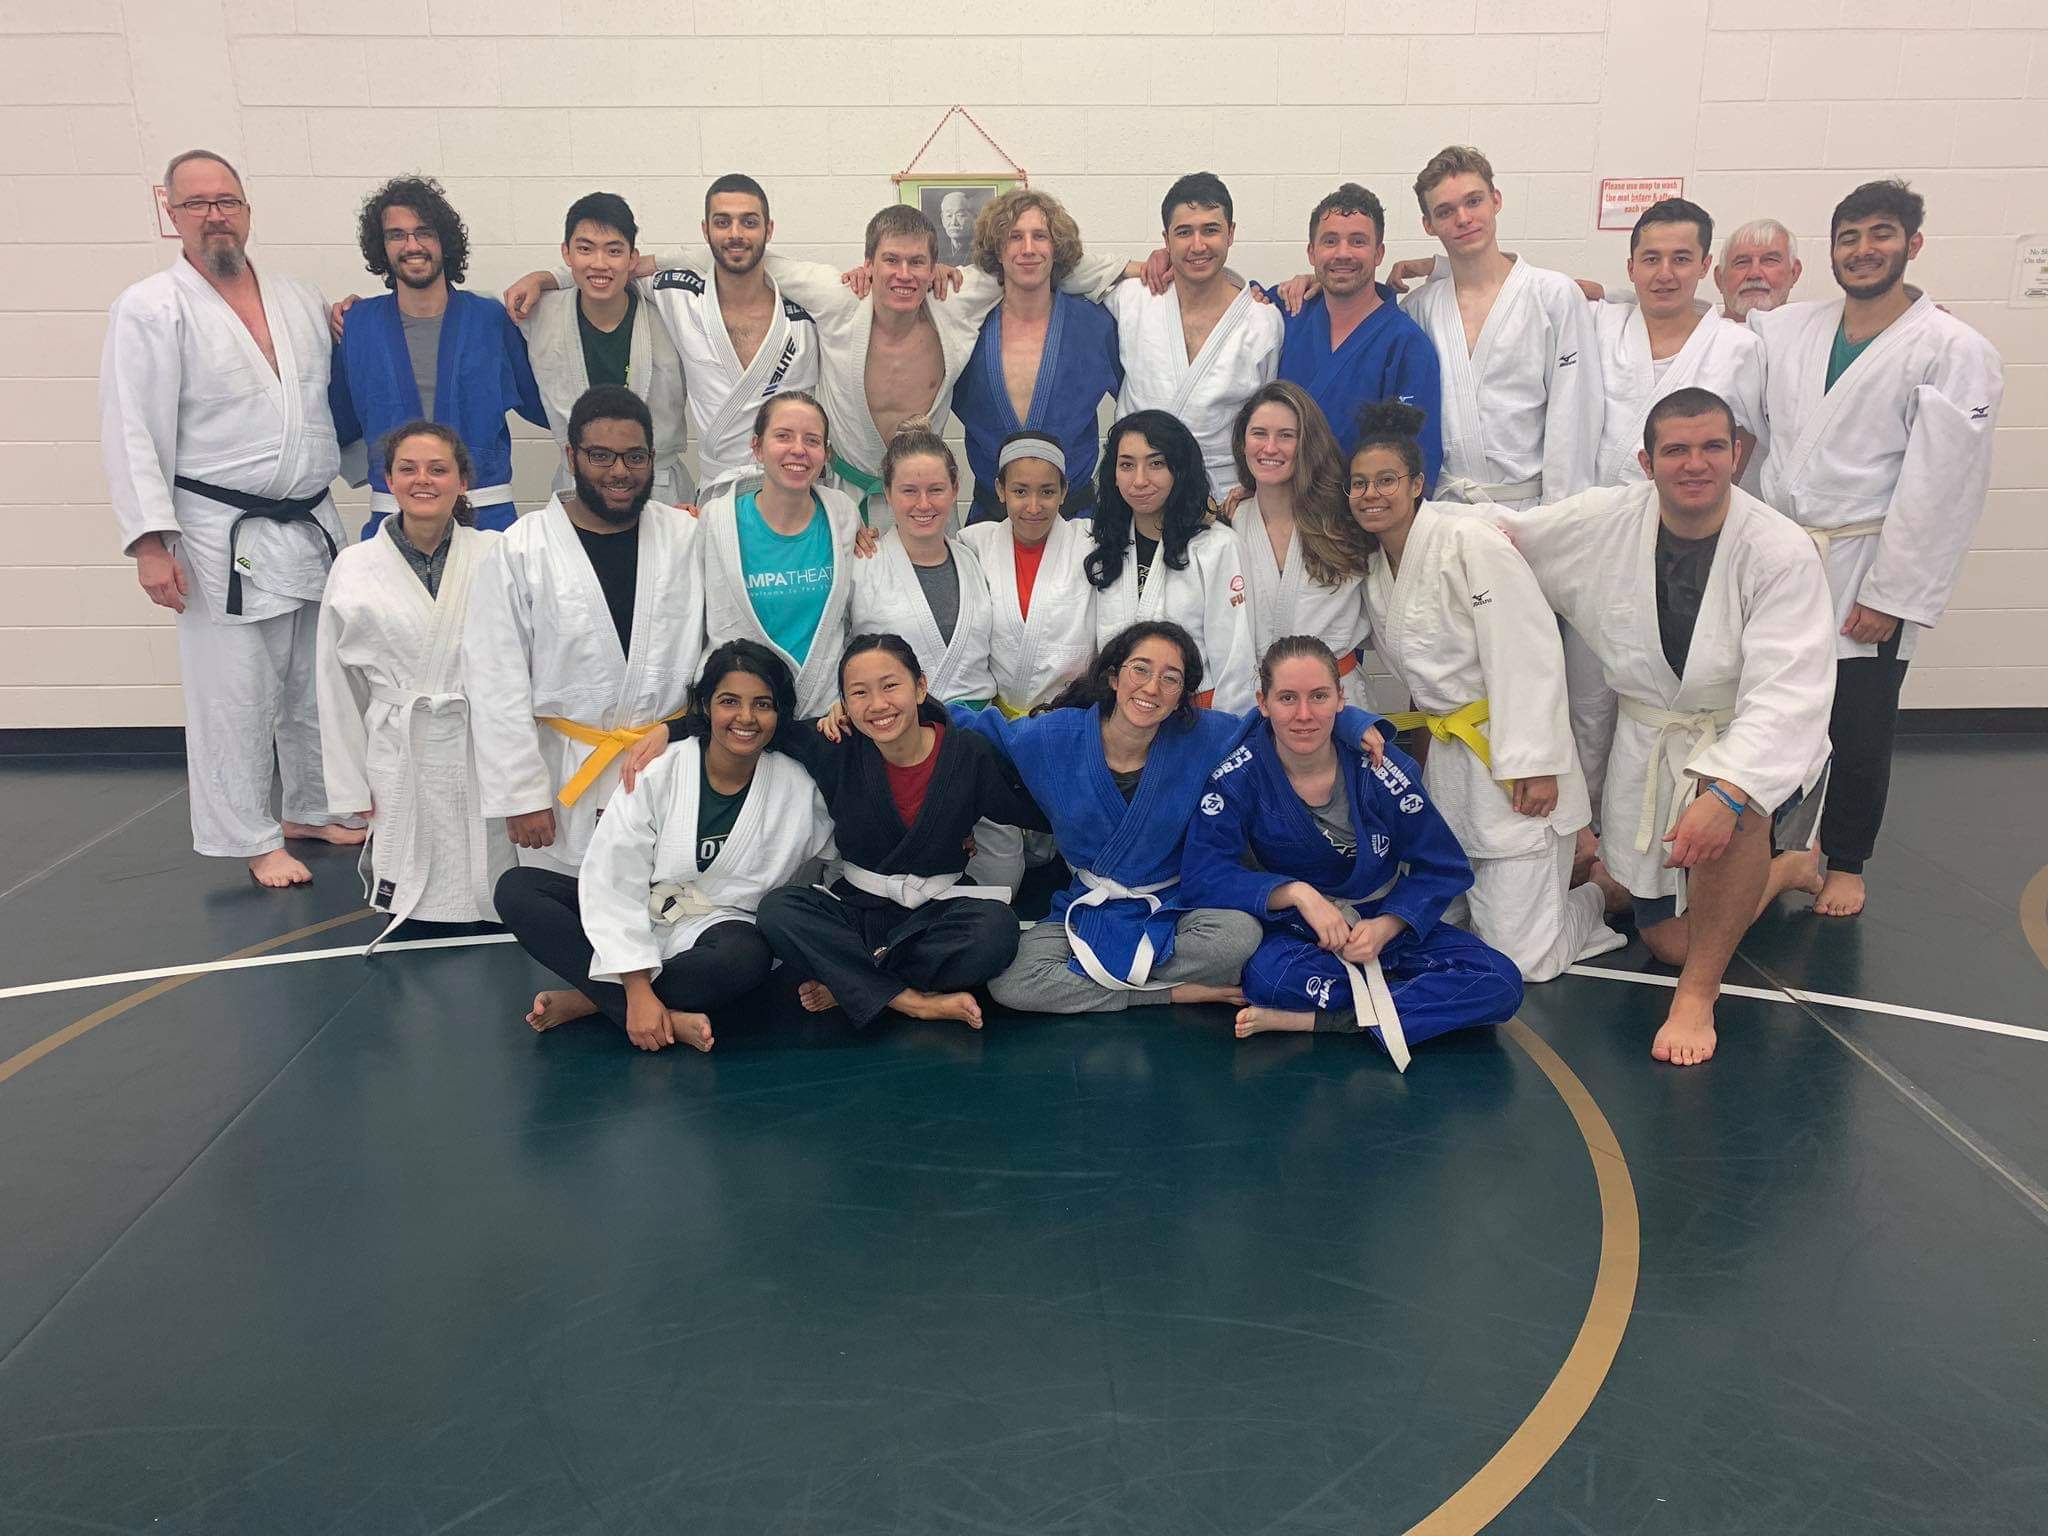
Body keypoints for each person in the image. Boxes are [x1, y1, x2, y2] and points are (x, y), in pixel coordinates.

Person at [1496, 388, 1837, 1066]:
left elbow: (1788, 697)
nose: (1695, 463)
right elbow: (1505, 531)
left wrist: (1731, 792)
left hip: (1750, 742)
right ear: (1646, 462)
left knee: (1730, 818)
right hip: (1653, 740)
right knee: (1665, 941)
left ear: (1736, 454)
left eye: (1712, 446)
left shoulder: (1779, 550)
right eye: (1676, 450)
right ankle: (1786, 869)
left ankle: (1697, 993)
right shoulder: (1607, 519)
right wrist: (1402, 522)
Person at [100, 148, 360, 889]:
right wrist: (152, 542)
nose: (215, 215)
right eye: (197, 204)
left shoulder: (298, 298)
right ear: (170, 215)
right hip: (218, 531)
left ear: (247, 210)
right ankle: (248, 834)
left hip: (308, 521)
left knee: (317, 681)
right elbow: (131, 429)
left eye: (227, 201)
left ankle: (313, 805)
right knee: (236, 692)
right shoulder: (152, 307)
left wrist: (349, 320)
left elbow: (324, 404)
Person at [1748, 180, 2004, 919]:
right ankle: (1776, 847)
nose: (1864, 250)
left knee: (1859, 720)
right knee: (1773, 708)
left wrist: (1894, 594)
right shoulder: (1790, 328)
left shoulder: (1954, 349)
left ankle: (1848, 857)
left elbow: (1942, 483)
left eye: (1881, 234)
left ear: (1913, 244)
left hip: (1867, 559)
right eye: (1850, 237)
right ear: (1829, 251)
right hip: (1786, 552)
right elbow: (1713, 332)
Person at [1344, 400, 1623, 982]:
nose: (1372, 494)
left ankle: (1596, 896)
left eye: (1387, 480)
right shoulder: (1375, 568)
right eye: (1360, 484)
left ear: (1418, 484)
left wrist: (1537, 763)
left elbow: (1528, 651)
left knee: (1519, 961)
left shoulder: (1469, 539)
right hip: (1452, 759)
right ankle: (1552, 888)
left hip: (1511, 756)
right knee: (1451, 926)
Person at [1179, 637, 1523, 1056]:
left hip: (1384, 922)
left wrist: (1389, 925)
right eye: (1287, 698)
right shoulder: (1239, 774)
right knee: (1270, 979)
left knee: (1501, 981)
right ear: (1263, 703)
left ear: (1341, 699)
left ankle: (1327, 1021)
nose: (1304, 715)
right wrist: (1296, 893)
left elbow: (1443, 866)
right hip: (1305, 933)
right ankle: (1403, 1004)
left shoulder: (1380, 768)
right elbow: (1203, 874)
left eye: (1319, 696)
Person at [500, 641, 834, 1053]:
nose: (746, 718)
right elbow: (614, 876)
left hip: (719, 930)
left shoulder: (799, 788)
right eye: (730, 701)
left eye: (762, 704)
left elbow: (848, 851)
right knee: (517, 889)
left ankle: (593, 999)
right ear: (706, 706)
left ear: (779, 713)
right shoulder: (660, 769)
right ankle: (641, 1008)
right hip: (642, 906)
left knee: (744, 960)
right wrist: (637, 990)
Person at [464, 386, 706, 904]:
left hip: (665, 760)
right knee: (570, 914)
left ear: (652, 459)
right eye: (600, 455)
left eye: (634, 456)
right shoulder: (521, 549)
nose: (619, 471)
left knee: (669, 907)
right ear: (570, 457)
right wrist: (520, 795)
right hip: (564, 774)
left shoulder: (687, 538)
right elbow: (496, 682)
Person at [953, 622, 1268, 1015]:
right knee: (1012, 980)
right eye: (1140, 669)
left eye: (1170, 679)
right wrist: (891, 711)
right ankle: (1171, 990)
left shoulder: (1204, 736)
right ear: (1115, 677)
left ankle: (1109, 979)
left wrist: (1350, 724)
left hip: (1174, 906)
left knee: (1237, 938)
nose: (1152, 688)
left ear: (1181, 697)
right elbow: (968, 729)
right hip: (1089, 905)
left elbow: (1281, 726)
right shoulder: (1056, 736)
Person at [751, 634, 1050, 1032]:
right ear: (842, 701)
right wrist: (674, 730)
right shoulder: (835, 745)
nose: (877, 705)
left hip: (937, 912)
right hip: (858, 907)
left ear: (920, 687)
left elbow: (1038, 806)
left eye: (890, 686)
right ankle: (912, 1001)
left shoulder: (968, 753)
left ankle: (852, 982)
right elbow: (757, 728)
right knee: (779, 909)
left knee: (996, 929)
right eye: (859, 693)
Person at [762, 203, 1128, 523]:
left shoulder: (952, 298)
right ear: (868, 264)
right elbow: (754, 259)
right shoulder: (839, 297)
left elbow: (1041, 266)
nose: (904, 274)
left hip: (927, 493)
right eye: (891, 260)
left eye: (917, 262)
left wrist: (1140, 266)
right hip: (845, 492)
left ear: (934, 266)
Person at [503, 173, 821, 495]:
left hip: (688, 487)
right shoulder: (539, 311)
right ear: (705, 230)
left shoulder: (803, 314)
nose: (735, 234)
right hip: (589, 488)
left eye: (749, 222)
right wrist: (545, 278)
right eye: (722, 222)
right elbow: (602, 273)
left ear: (769, 229)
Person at [316, 422, 511, 945]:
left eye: (438, 469)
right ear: (388, 480)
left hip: (476, 736)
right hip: (400, 736)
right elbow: (336, 687)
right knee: (412, 883)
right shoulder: (355, 566)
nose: (423, 480)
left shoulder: (497, 553)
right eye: (408, 468)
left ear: (463, 482)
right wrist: (347, 785)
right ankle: (411, 906)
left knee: (487, 882)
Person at [847, 419, 1019, 889]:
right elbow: (839, 652)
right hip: (894, 738)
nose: (923, 505)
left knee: (1003, 866)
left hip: (973, 737)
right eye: (908, 491)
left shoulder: (973, 555)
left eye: (936, 490)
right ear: (887, 493)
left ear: (955, 489)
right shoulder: (861, 563)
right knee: (900, 867)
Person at [329, 175, 545, 534]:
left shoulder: (490, 321)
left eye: (424, 232)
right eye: (397, 235)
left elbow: (551, 405)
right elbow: (336, 425)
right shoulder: (357, 327)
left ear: (445, 241)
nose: (412, 244)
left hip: (484, 520)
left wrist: (551, 280)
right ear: (381, 247)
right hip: (391, 524)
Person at [1398, 146, 1601, 510]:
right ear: (1429, 224)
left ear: (1496, 200)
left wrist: (1559, 519)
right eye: (1445, 211)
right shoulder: (1418, 309)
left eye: (1473, 201)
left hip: (1529, 509)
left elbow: (1573, 420)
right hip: (1443, 509)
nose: (1463, 218)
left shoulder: (1554, 296)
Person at [950, 188, 1123, 523]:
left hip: (1075, 521)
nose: (1028, 249)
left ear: (1056, 248)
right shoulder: (966, 327)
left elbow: (1140, 408)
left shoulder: (1093, 324)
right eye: (1014, 237)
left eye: (1039, 236)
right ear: (997, 249)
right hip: (991, 521)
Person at [1109, 172, 1283, 502]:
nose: (1198, 245)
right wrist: (1133, 266)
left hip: (1222, 493)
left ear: (1231, 233)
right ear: (1166, 239)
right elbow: (1065, 271)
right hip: (1137, 487)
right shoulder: (1132, 297)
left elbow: (1266, 420)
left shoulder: (1262, 321)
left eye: (1211, 230)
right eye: (1184, 232)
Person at [515, 192, 693, 506]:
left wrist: (547, 275)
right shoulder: (539, 313)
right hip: (576, 487)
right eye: (585, 249)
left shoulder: (668, 313)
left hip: (659, 488)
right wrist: (546, 279)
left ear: (632, 258)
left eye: (614, 251)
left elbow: (710, 262)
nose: (599, 263)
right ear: (566, 253)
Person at [697, 391, 865, 717]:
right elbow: (694, 622)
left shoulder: (842, 515)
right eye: (783, 436)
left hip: (827, 713)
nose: (799, 449)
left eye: (812, 440)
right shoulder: (717, 521)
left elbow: (854, 618)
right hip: (743, 714)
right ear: (757, 447)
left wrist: (849, 698)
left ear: (826, 453)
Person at [1085, 411, 1256, 712]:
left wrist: (1226, 735)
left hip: (1195, 718)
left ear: (1180, 470)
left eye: (1156, 464)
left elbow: (1236, 662)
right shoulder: (1101, 544)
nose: (1139, 480)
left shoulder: (1217, 547)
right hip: (1118, 719)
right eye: (1126, 465)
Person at [1223, 382, 1374, 710]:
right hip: (1255, 702)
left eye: (1286, 436)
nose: (1270, 447)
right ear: (1242, 441)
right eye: (1259, 433)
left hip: (1335, 701)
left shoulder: (1345, 522)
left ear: (1308, 443)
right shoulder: (1227, 527)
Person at [1594, 198, 1765, 487]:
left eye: (1681, 259)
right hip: (1601, 516)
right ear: (1631, 267)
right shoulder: (1598, 325)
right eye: (1651, 259)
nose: (1665, 274)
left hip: (1690, 515)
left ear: (1704, 265)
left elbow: (1745, 446)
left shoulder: (1739, 348)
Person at [1275, 183, 1442, 476]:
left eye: (1357, 241)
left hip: (1362, 513)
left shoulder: (1406, 345)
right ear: (1312, 253)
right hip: (1280, 507)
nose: (1343, 253)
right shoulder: (1290, 310)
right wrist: (1167, 261)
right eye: (1330, 241)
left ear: (1379, 253)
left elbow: (1415, 462)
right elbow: (1225, 301)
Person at [958, 431, 1099, 719]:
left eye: (1047, 491)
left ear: (1064, 491)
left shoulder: (1092, 542)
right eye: (1020, 491)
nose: (1034, 507)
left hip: (1072, 719)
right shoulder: (972, 544)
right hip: (996, 723)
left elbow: (1148, 524)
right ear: (1000, 490)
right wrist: (862, 536)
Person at [1714, 218, 1803, 321]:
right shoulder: (1698, 336)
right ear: (1719, 278)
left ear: (1794, 272)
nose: (1754, 274)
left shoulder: (1814, 334)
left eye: (1770, 260)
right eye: (1742, 262)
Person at [933, 189, 977, 269]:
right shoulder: (935, 249)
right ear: (943, 220)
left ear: (973, 217)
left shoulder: (981, 249)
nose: (954, 222)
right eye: (949, 216)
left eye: (960, 215)